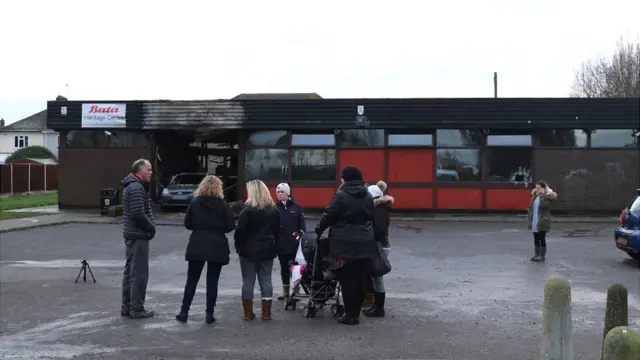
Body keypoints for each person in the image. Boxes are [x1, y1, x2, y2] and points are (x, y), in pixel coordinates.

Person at [315, 166, 377, 325]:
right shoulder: (368, 196)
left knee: (347, 279)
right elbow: (372, 217)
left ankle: (350, 315)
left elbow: (328, 215)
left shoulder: (341, 196)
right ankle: (356, 311)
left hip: (344, 244)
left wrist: (318, 230)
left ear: (346, 179)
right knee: (361, 278)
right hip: (365, 242)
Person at [176, 175, 236, 324]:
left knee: (192, 280)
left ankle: (184, 311)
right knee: (212, 280)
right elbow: (230, 225)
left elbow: (188, 223)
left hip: (197, 243)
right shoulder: (223, 205)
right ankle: (209, 314)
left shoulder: (195, 203)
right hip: (217, 244)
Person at [234, 179, 280, 321]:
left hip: (249, 249)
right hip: (267, 248)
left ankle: (248, 312)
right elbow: (278, 230)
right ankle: (266, 312)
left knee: (248, 280)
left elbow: (240, 231)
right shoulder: (273, 210)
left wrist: (239, 246)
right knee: (266, 279)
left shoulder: (247, 210)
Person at [121, 159, 156, 319]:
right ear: (140, 170)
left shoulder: (133, 186)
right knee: (139, 273)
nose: (151, 173)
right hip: (138, 235)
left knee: (130, 272)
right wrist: (151, 227)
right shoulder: (136, 187)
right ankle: (136, 308)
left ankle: (127, 306)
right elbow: (138, 213)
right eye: (149, 170)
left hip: (132, 234)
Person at [363, 181, 393, 318]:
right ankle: (376, 305)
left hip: (378, 244)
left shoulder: (379, 209)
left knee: (377, 276)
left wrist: (371, 237)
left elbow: (379, 229)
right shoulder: (382, 208)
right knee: (376, 276)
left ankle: (379, 307)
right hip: (381, 244)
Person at [274, 182, 306, 300]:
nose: (280, 194)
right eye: (278, 192)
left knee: (295, 268)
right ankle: (285, 291)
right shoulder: (274, 208)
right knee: (284, 267)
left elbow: (302, 226)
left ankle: (296, 290)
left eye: (282, 192)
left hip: (294, 243)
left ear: (287, 193)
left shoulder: (297, 207)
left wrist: (299, 236)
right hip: (281, 243)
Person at [527, 181, 558, 262]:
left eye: (539, 188)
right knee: (536, 238)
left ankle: (542, 256)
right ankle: (536, 254)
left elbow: (544, 205)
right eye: (536, 188)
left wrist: (543, 195)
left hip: (542, 220)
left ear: (543, 188)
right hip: (535, 219)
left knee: (541, 237)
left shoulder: (547, 197)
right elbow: (531, 206)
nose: (537, 189)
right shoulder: (535, 196)